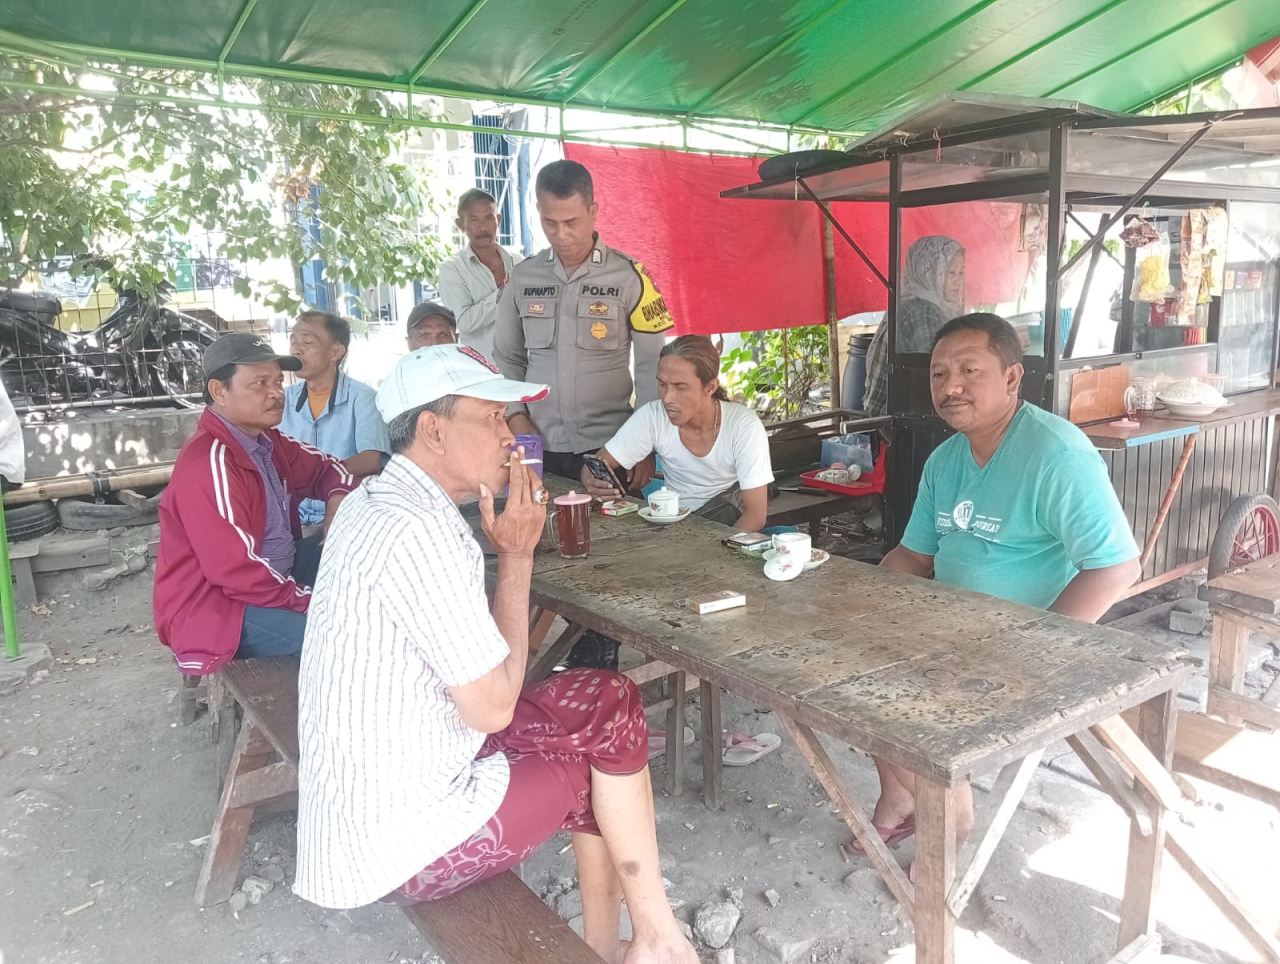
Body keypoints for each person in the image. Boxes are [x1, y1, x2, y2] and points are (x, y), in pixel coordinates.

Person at [293, 344, 699, 964]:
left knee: (606, 696)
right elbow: (491, 710)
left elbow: (484, 677)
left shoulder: (375, 503)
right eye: (491, 418)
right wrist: (517, 556)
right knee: (597, 763)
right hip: (397, 847)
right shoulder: (418, 533)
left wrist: (512, 554)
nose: (512, 438)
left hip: (367, 804)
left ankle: (637, 939)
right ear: (432, 429)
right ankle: (647, 944)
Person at [856, 313, 1140, 867]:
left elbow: (1115, 568)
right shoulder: (946, 458)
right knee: (843, 668)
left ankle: (947, 838)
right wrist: (862, 607)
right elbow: (914, 556)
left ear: (1013, 379)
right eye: (939, 374)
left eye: (968, 370)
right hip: (950, 626)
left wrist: (1040, 647)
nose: (949, 386)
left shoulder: (1056, 454)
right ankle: (897, 797)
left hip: (1021, 641)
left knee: (920, 710)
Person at [494, 159, 675, 669]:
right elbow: (506, 358)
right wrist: (514, 414)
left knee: (608, 566)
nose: (561, 233)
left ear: (594, 210)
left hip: (610, 449)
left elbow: (652, 365)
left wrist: (646, 448)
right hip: (541, 446)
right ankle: (547, 667)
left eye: (571, 221)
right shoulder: (523, 279)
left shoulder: (630, 277)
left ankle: (598, 675)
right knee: (546, 555)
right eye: (549, 222)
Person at [152, 333, 357, 674]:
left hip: (274, 576)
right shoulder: (210, 462)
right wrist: (311, 602)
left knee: (361, 550)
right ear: (219, 392)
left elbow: (332, 470)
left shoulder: (265, 440)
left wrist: (337, 501)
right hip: (218, 609)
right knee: (338, 634)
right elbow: (236, 572)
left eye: (277, 381)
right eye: (260, 383)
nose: (276, 392)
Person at [580, 335, 773, 532]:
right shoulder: (653, 416)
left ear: (710, 387)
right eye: (662, 384)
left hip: (723, 524)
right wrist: (593, 482)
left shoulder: (743, 426)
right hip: (671, 524)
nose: (668, 398)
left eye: (680, 387)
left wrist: (719, 549)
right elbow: (595, 465)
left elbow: (756, 515)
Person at [279, 311, 388, 530]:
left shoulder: (362, 397)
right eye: (293, 342)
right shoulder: (283, 399)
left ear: (336, 352)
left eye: (307, 342)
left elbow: (372, 459)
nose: (296, 349)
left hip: (346, 516)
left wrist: (315, 475)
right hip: (292, 517)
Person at [862, 236, 966, 415]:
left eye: (961, 272)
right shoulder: (921, 310)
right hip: (900, 418)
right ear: (931, 272)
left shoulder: (932, 306)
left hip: (903, 411)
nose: (958, 280)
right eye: (951, 272)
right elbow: (939, 372)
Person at [437, 187, 525, 361]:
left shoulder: (518, 262)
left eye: (488, 218)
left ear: (498, 220)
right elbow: (464, 323)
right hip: (482, 369)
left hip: (523, 365)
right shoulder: (452, 269)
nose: (483, 227)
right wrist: (505, 292)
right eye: (474, 220)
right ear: (461, 224)